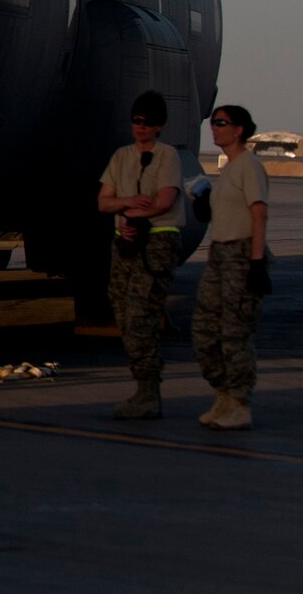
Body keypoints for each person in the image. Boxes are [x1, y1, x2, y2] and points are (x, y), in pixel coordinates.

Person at [95, 90, 182, 419]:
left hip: (156, 244)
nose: (141, 127)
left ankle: (148, 391)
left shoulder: (167, 157)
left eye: (147, 122)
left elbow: (164, 201)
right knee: (122, 312)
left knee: (141, 316)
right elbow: (104, 202)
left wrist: (129, 210)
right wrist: (130, 205)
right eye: (136, 121)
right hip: (124, 244)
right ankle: (143, 385)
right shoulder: (121, 158)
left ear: (159, 126)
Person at [194, 104, 271, 430]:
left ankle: (240, 403)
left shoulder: (249, 166)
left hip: (242, 254)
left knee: (235, 332)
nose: (215, 128)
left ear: (239, 129)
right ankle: (223, 394)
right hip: (219, 254)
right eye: (213, 123)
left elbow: (258, 212)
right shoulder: (228, 169)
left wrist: (256, 262)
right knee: (205, 330)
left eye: (221, 123)